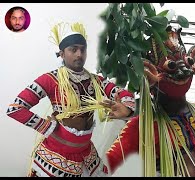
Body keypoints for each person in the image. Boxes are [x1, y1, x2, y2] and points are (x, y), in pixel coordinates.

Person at [6, 22, 135, 177]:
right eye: (73, 49)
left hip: (86, 155)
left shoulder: (95, 80)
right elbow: (15, 109)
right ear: (62, 54)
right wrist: (46, 127)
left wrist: (126, 108)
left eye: (82, 49)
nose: (79, 54)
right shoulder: (50, 79)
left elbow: (123, 93)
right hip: (57, 156)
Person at [103, 26, 195, 177]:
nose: (183, 71)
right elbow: (103, 167)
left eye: (186, 62)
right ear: (147, 72)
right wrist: (82, 125)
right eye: (170, 66)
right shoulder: (142, 127)